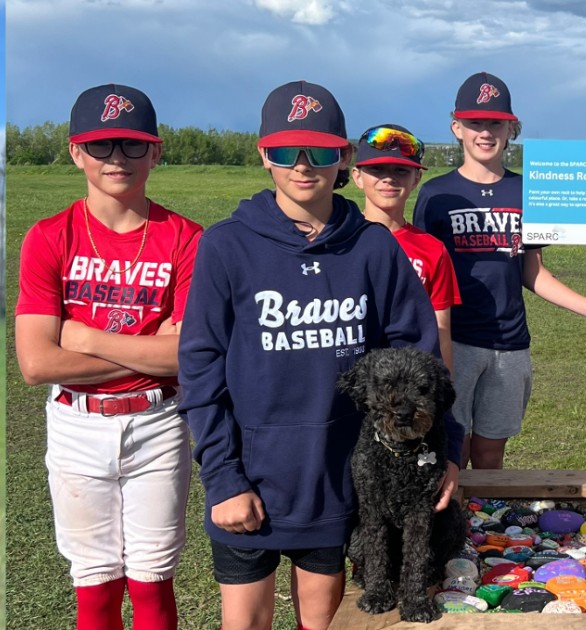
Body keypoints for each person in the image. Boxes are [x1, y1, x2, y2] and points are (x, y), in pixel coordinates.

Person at [179, 80, 464, 630]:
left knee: (325, 622)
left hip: (341, 478)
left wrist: (446, 448)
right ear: (264, 154)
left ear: (345, 158)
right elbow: (200, 368)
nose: (304, 166)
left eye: (321, 151)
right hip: (253, 479)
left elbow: (421, 358)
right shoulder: (226, 245)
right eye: (287, 151)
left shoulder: (374, 245)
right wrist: (223, 477)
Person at [14, 84, 201, 630]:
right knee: (95, 584)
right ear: (76, 152)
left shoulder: (186, 237)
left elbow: (188, 358)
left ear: (156, 151)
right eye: (101, 146)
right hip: (76, 422)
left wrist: (88, 339)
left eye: (133, 145)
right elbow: (37, 365)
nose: (117, 158)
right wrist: (155, 350)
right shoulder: (50, 236)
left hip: (157, 420)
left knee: (152, 581)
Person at [414, 71, 586, 470]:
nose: (485, 132)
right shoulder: (436, 193)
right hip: (457, 341)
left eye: (495, 123)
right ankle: (454, 531)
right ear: (457, 128)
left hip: (510, 343)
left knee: (490, 453)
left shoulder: (526, 191)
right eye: (475, 123)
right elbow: (424, 273)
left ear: (511, 128)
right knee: (453, 449)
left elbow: (531, 270)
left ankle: (486, 532)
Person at [352, 123, 460, 369]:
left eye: (401, 170)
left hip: (408, 384)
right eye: (377, 169)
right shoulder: (339, 240)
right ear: (357, 177)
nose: (389, 178)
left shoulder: (432, 249)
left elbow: (441, 329)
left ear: (416, 178)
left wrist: (445, 389)